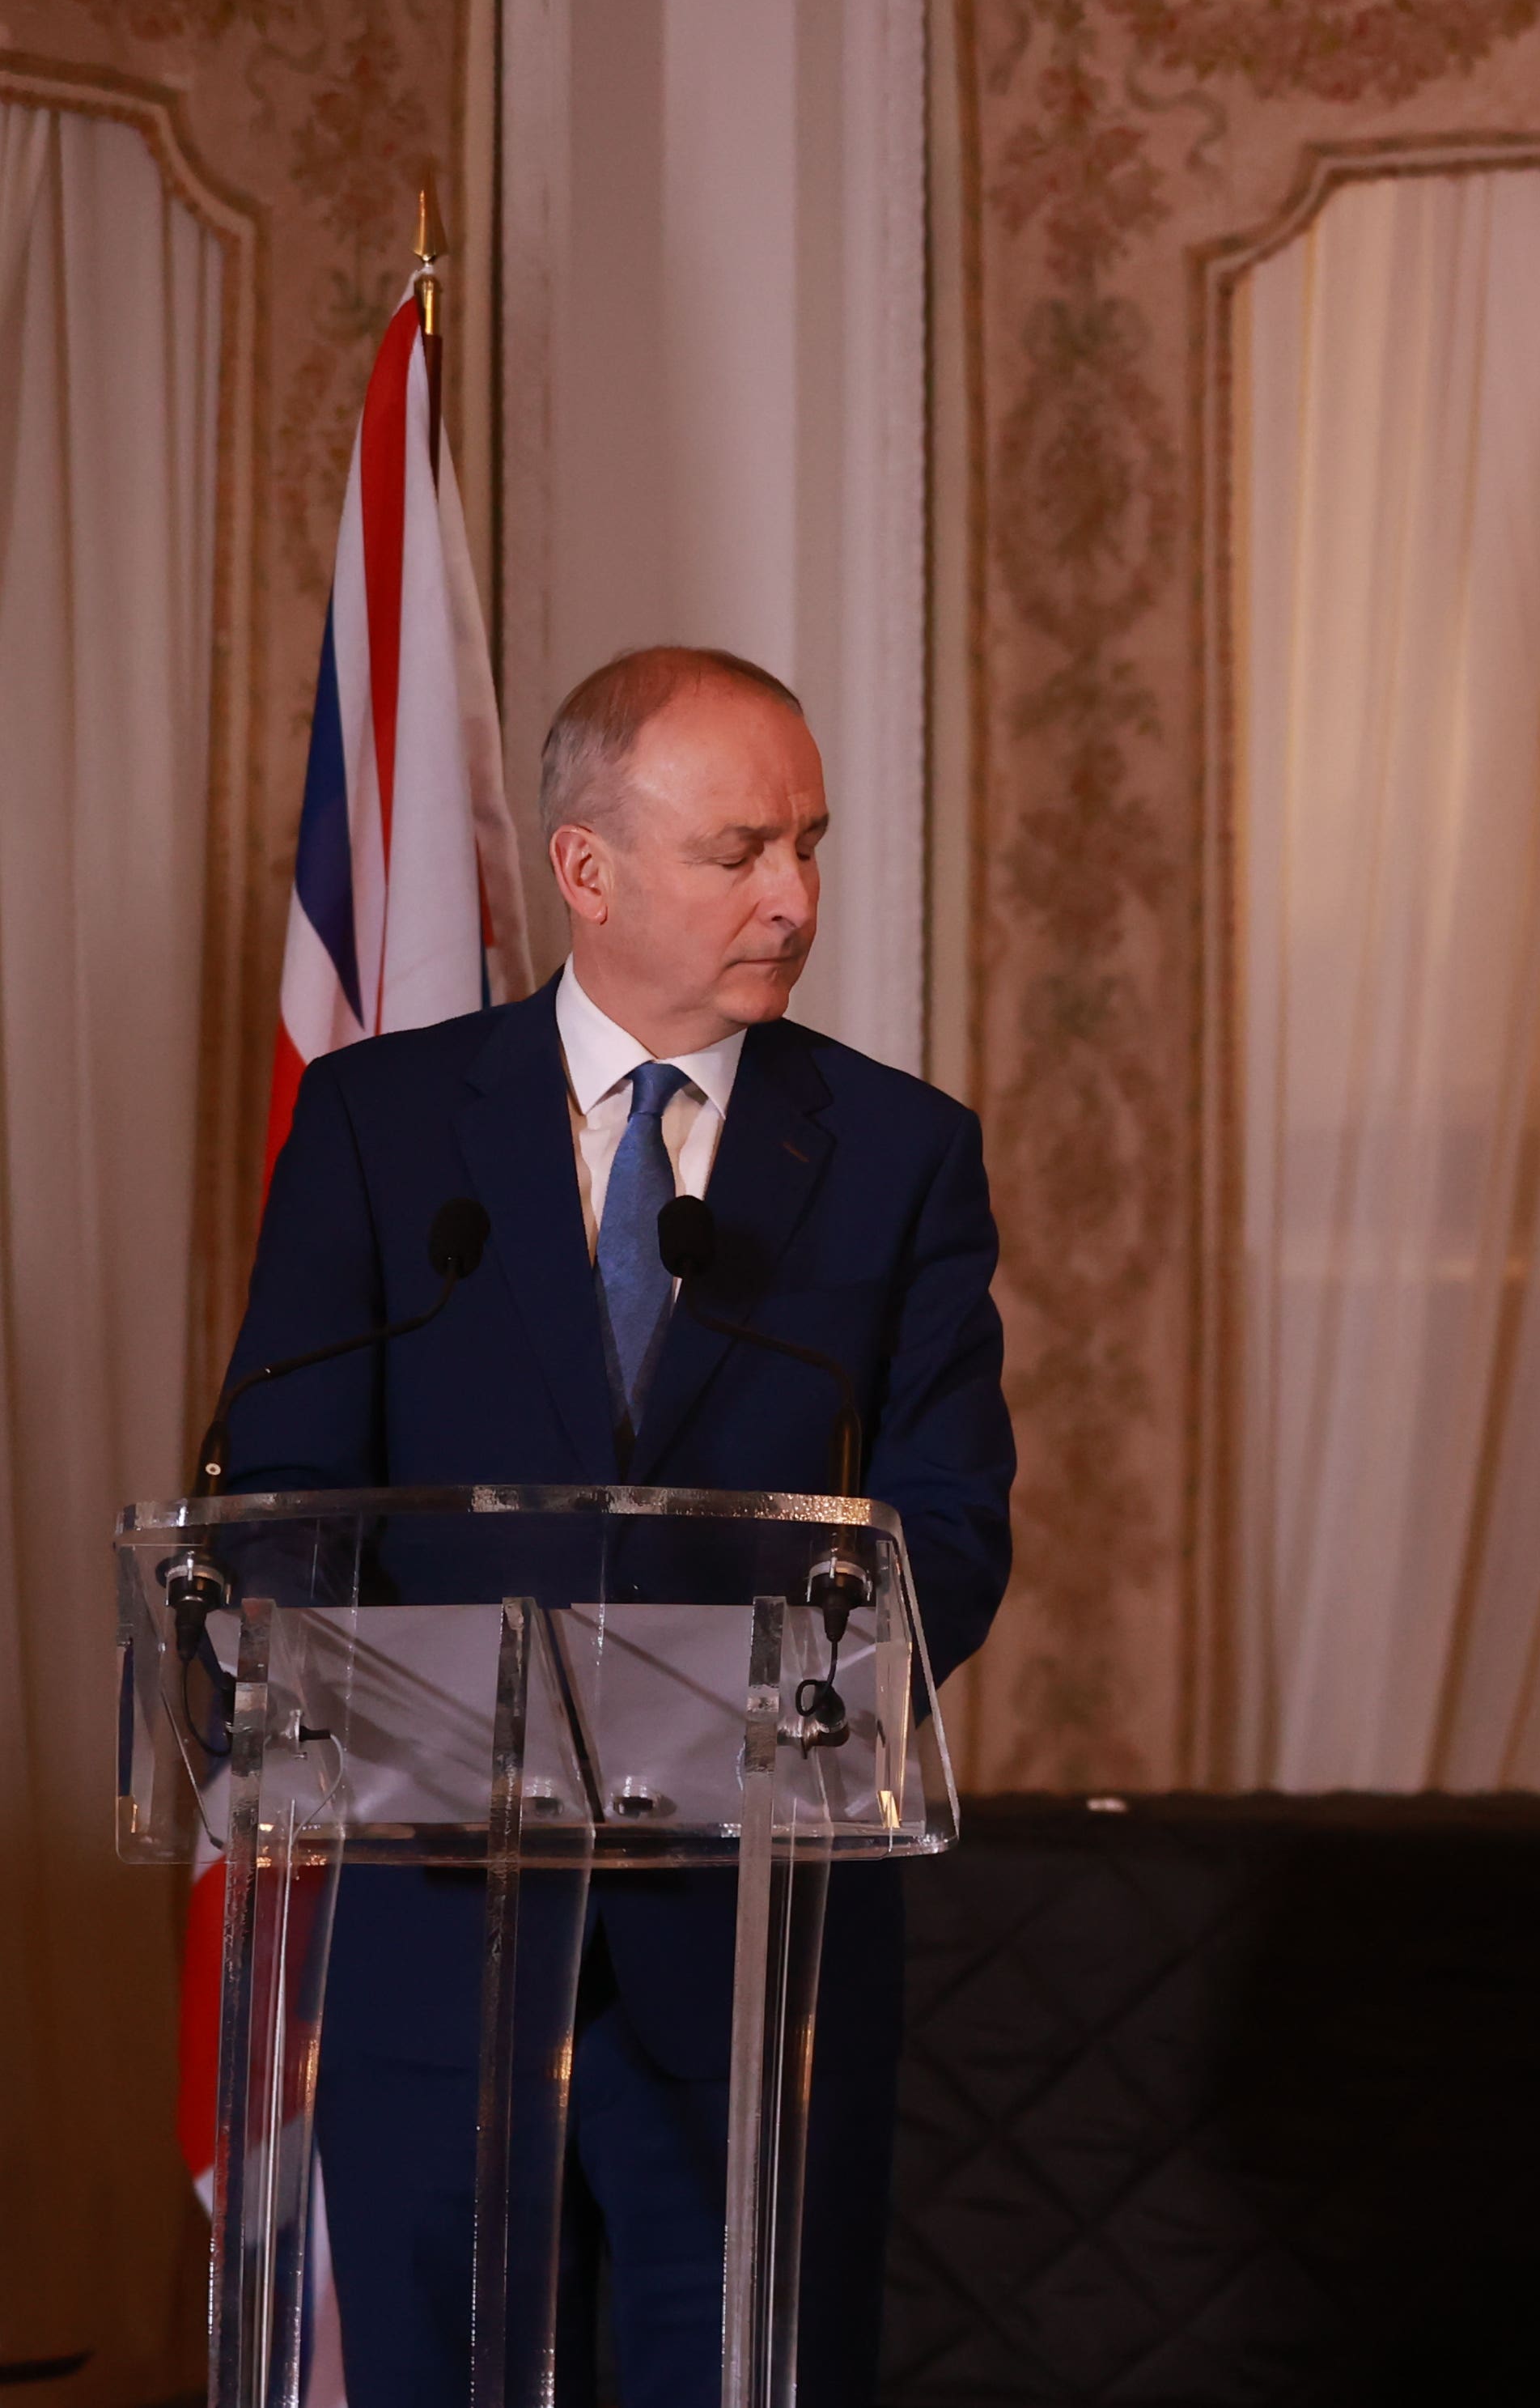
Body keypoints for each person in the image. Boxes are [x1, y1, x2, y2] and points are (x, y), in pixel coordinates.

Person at [218, 647, 1015, 2407]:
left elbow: (949, 1525)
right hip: (438, 1929)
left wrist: (745, 1703)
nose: (794, 896)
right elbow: (276, 1484)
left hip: (751, 1956)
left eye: (807, 843)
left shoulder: (895, 1152)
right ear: (587, 869)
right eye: (740, 851)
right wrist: (327, 1682)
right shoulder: (382, 1125)